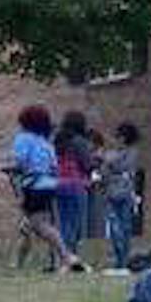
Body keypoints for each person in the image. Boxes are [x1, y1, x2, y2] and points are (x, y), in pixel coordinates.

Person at [0, 105, 83, 273]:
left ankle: (67, 257)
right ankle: (16, 265)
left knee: (40, 226)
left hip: (32, 187)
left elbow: (20, 162)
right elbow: (54, 167)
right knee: (26, 226)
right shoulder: (46, 142)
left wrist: (6, 168)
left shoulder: (22, 139)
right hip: (48, 186)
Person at [53, 109, 96, 259]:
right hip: (76, 185)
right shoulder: (79, 141)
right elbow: (88, 164)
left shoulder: (58, 141)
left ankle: (63, 257)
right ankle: (70, 257)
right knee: (76, 225)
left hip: (59, 185)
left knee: (64, 223)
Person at [101, 121, 143, 271]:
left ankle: (123, 261)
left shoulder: (132, 152)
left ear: (124, 138)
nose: (115, 140)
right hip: (111, 193)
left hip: (125, 194)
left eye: (117, 137)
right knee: (114, 227)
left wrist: (110, 162)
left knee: (125, 227)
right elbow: (105, 171)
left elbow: (122, 167)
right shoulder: (114, 153)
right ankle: (118, 260)